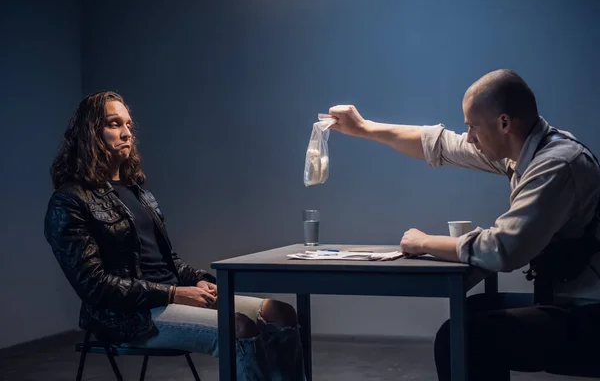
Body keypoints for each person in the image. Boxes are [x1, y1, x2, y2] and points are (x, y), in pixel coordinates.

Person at [323, 69, 600, 381]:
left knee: (459, 339)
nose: (468, 136)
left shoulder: (555, 165)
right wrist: (364, 128)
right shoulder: (527, 150)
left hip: (588, 314)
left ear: (504, 123)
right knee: (470, 315)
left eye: (473, 127)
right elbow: (442, 145)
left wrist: (423, 242)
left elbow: (503, 249)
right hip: (564, 303)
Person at [44, 91, 305, 380]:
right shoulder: (69, 200)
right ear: (90, 133)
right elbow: (93, 285)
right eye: (114, 124)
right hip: (129, 317)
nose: (126, 133)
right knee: (239, 327)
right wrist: (174, 293)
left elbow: (167, 261)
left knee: (281, 314)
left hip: (172, 297)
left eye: (129, 125)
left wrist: (199, 281)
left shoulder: (137, 192)